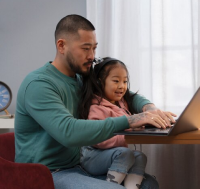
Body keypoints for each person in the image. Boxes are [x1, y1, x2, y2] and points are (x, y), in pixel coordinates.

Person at [14, 14, 176, 189]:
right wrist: (130, 120)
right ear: (61, 46)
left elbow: (127, 95)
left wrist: (150, 109)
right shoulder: (39, 84)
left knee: (149, 184)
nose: (91, 56)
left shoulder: (82, 78)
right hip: (48, 173)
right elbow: (69, 132)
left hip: (80, 166)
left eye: (94, 48)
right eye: (85, 48)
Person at [80, 57, 149, 189]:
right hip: (93, 156)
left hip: (114, 154)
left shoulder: (122, 104)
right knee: (125, 154)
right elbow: (98, 140)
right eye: (116, 81)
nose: (122, 86)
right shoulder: (97, 107)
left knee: (140, 156)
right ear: (100, 82)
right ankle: (111, 186)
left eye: (125, 81)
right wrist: (128, 132)